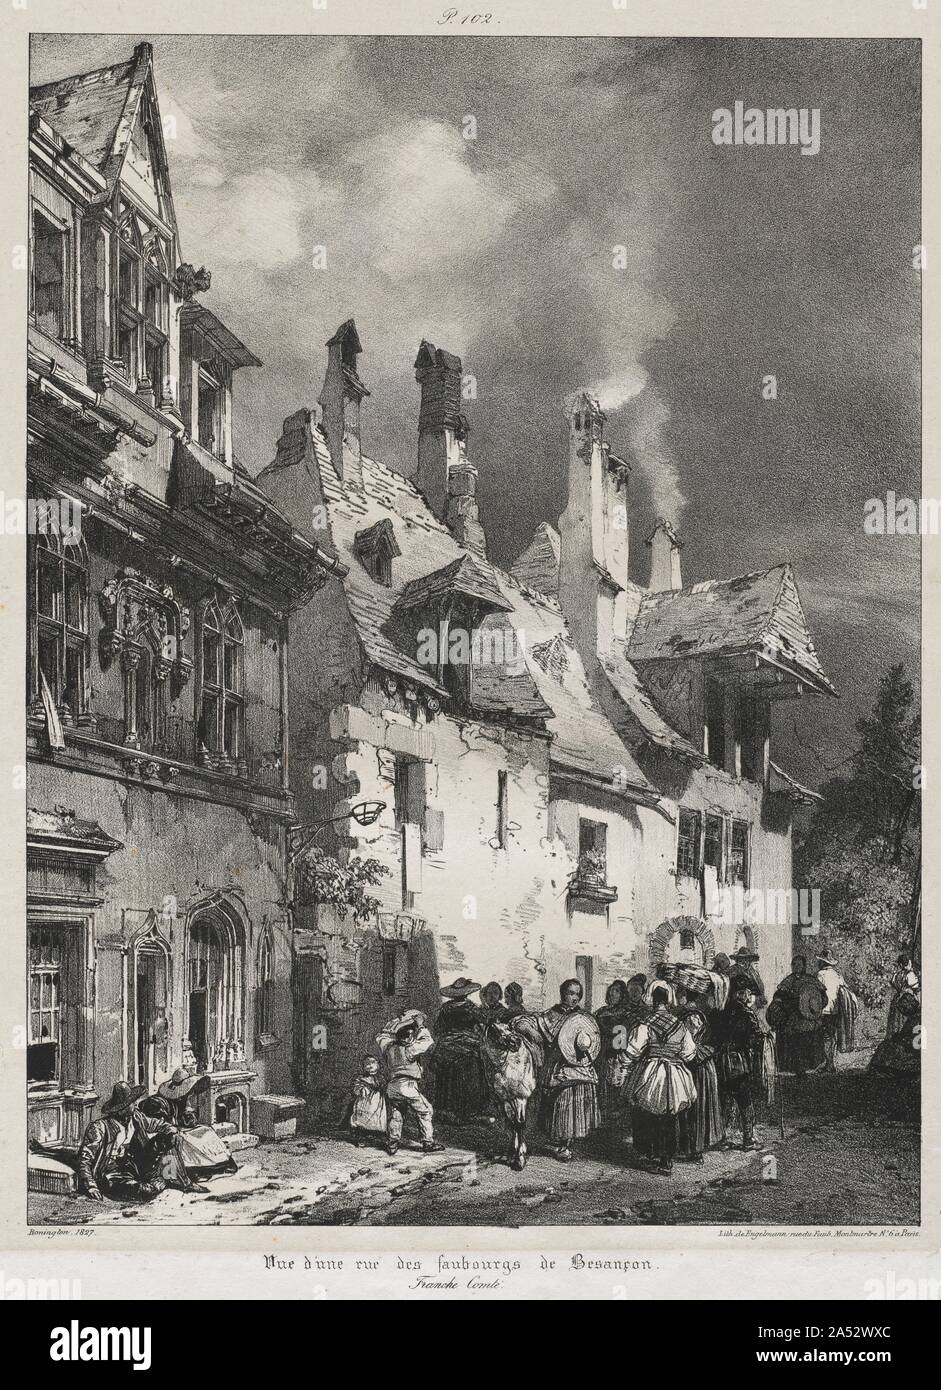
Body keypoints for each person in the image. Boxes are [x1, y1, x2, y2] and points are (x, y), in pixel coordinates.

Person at [516, 979, 601, 1162]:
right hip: (557, 1068)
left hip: (580, 1067)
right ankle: (558, 1142)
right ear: (563, 993)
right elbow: (521, 1022)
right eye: (571, 993)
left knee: (577, 1102)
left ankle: (566, 1143)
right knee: (559, 1104)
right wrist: (531, 1032)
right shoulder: (550, 1015)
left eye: (578, 994)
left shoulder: (584, 1018)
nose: (574, 998)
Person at [623, 983, 697, 1175]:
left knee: (647, 1113)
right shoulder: (680, 1025)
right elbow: (689, 1053)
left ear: (654, 1001)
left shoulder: (645, 1023)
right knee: (669, 1117)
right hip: (674, 1074)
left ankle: (650, 1154)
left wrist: (624, 1061)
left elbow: (633, 1050)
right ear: (668, 1001)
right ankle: (666, 1160)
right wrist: (672, 1054)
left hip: (651, 1072)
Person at [76, 1081, 177, 1202]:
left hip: (136, 1165)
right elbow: (85, 1159)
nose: (135, 1104)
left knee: (168, 1139)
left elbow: (156, 1124)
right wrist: (91, 1186)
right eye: (131, 1102)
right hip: (112, 1173)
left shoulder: (136, 1117)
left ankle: (166, 1178)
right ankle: (151, 1184)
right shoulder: (99, 1127)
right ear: (121, 1108)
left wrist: (170, 1129)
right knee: (145, 1191)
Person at [139, 1067, 233, 1188]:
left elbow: (186, 1121)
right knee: (186, 1140)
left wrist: (189, 1116)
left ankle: (219, 1164)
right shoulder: (157, 1103)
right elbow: (156, 1126)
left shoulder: (181, 1101)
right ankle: (196, 1170)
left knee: (206, 1131)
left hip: (176, 1130)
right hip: (160, 1137)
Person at [376, 1009, 444, 1156]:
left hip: (392, 1087)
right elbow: (428, 1041)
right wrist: (420, 1026)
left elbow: (381, 1036)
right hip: (407, 1086)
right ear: (408, 1036)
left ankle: (392, 1143)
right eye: (411, 1034)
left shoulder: (388, 1047)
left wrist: (396, 1024)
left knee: (396, 1114)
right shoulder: (410, 1049)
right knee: (425, 1111)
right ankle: (428, 1142)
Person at [675, 982, 724, 1161]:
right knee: (690, 1107)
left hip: (697, 1067)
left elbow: (691, 1045)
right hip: (698, 1065)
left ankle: (695, 1150)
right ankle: (690, 1147)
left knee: (696, 1108)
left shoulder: (691, 1016)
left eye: (680, 994)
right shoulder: (691, 1014)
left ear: (686, 996)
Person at [716, 978, 766, 1150]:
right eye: (746, 993)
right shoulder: (747, 1014)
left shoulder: (721, 1011)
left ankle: (723, 1139)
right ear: (739, 994)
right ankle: (748, 1139)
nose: (749, 996)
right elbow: (755, 1039)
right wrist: (765, 1039)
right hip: (738, 1062)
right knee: (744, 1099)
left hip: (722, 1061)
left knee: (725, 1099)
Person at [431, 977, 490, 1123]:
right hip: (467, 1047)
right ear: (466, 993)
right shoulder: (471, 1007)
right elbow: (486, 1020)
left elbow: (438, 1028)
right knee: (473, 1074)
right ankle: (469, 1113)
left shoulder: (446, 1008)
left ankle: (446, 1111)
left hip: (446, 1047)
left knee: (446, 1078)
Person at [767, 956, 827, 1077]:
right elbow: (779, 996)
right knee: (795, 1040)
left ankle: (811, 1066)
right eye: (794, 964)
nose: (796, 967)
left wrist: (813, 1007)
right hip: (793, 1017)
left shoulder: (812, 980)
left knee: (809, 1040)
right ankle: (796, 1067)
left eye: (799, 965)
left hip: (810, 1018)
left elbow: (823, 999)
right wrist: (782, 1004)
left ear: (804, 966)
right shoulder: (788, 981)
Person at [595, 980, 632, 1127]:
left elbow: (621, 1040)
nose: (612, 993)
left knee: (614, 1086)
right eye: (611, 990)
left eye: (616, 991)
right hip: (599, 1053)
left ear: (622, 995)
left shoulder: (624, 1014)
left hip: (614, 1055)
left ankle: (615, 1118)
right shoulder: (601, 1012)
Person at [817, 948, 860, 1072]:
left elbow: (817, 993)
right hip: (836, 1010)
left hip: (824, 1010)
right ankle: (829, 1063)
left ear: (822, 962)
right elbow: (845, 989)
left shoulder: (820, 974)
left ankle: (829, 1064)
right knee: (832, 1036)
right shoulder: (837, 975)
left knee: (826, 1037)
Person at [347, 1055, 388, 1147]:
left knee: (376, 1120)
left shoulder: (380, 1078)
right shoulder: (361, 1078)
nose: (370, 1066)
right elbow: (355, 1087)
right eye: (367, 1064)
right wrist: (361, 1089)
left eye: (373, 1063)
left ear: (378, 1065)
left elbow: (384, 1087)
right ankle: (361, 1137)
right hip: (364, 1102)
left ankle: (376, 1137)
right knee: (362, 1119)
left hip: (377, 1103)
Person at [886, 953, 920, 1039]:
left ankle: (895, 1037)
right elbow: (915, 988)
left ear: (900, 964)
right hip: (907, 1000)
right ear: (908, 962)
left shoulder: (896, 975)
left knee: (895, 1020)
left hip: (897, 999)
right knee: (906, 1019)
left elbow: (893, 983)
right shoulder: (910, 974)